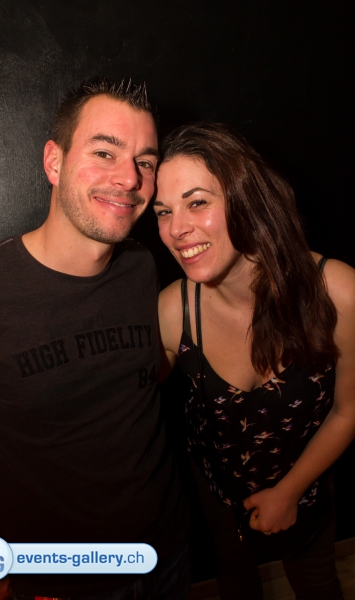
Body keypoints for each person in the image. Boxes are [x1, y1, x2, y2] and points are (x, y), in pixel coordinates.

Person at [0, 78, 189, 600]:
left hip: (167, 553)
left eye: (145, 161)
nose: (129, 178)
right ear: (53, 162)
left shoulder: (141, 267)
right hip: (60, 581)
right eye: (104, 152)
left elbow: (135, 378)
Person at [155, 122, 355, 600]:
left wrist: (289, 491)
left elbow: (349, 410)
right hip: (216, 483)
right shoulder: (173, 310)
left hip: (306, 480)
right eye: (163, 212)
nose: (176, 230)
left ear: (246, 199)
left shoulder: (337, 291)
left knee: (317, 584)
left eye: (196, 202)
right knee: (234, 577)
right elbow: (126, 396)